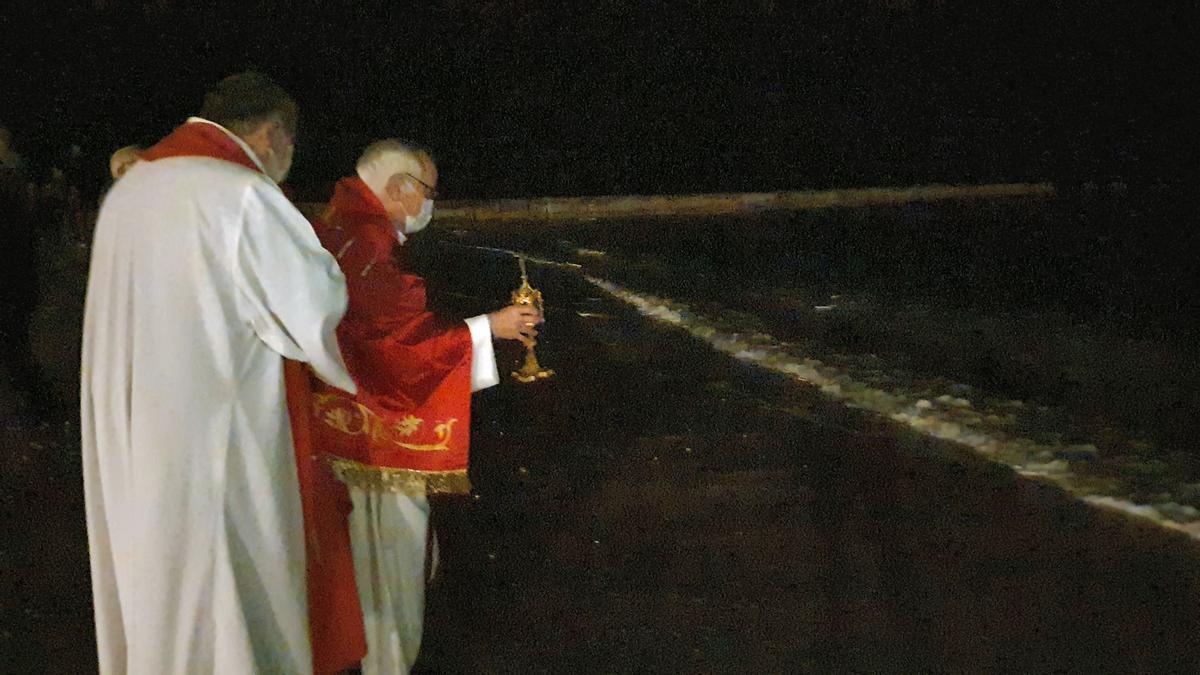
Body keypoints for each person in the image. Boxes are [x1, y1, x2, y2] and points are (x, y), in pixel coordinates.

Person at [81, 72, 357, 674]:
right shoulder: (240, 193)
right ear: (273, 133)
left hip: (140, 430)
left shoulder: (128, 192)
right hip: (217, 443)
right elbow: (312, 306)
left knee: (159, 585)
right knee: (228, 602)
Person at [299, 139, 539, 674]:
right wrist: (489, 329)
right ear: (399, 189)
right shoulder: (368, 243)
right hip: (378, 440)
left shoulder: (338, 228)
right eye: (429, 191)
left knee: (365, 573)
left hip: (338, 425)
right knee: (392, 572)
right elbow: (396, 347)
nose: (432, 203)